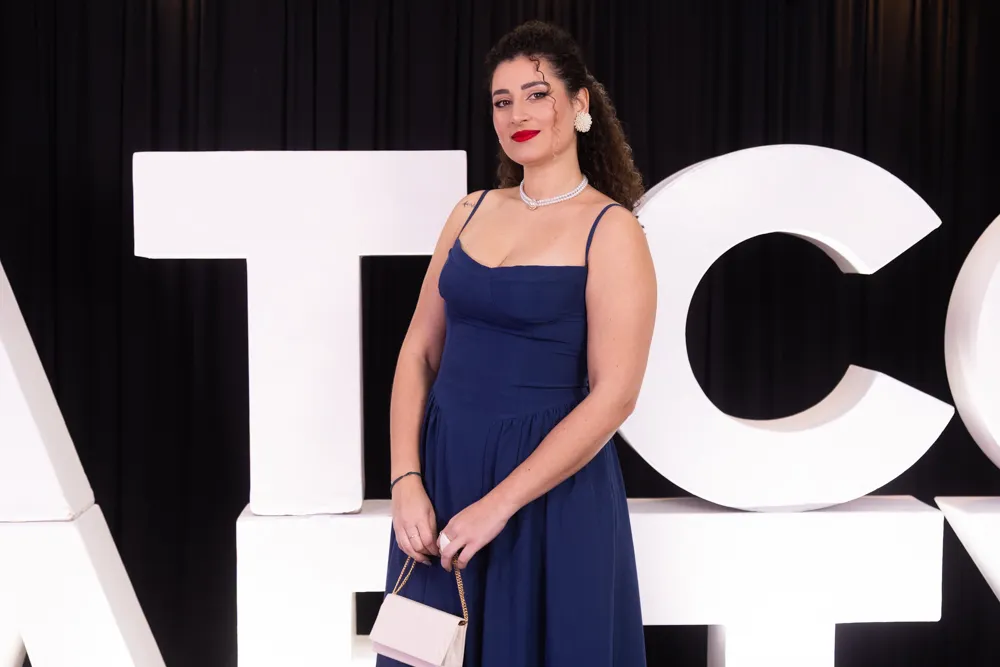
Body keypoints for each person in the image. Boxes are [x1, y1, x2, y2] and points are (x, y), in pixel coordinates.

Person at [378, 19, 656, 667]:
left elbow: (615, 396)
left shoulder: (611, 229)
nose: (517, 114)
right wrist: (406, 478)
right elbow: (418, 351)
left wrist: (498, 506)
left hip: (547, 493)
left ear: (579, 104)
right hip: (443, 479)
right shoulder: (469, 210)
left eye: (536, 94)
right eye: (502, 101)